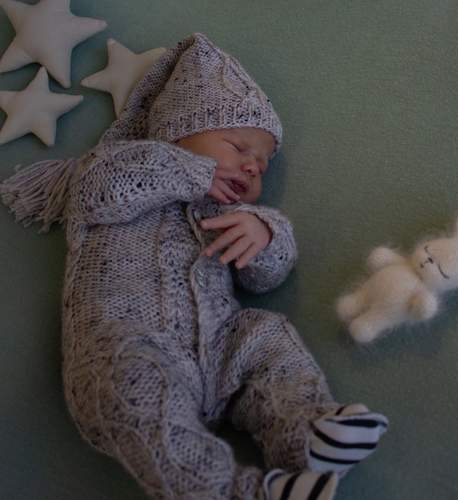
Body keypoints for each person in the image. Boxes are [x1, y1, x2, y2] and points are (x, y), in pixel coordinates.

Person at [1, 33, 388, 500]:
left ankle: (305, 430)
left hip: (219, 352)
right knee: (135, 385)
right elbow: (97, 189)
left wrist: (264, 234)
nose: (252, 167)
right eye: (238, 146)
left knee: (265, 334)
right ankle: (237, 491)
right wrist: (192, 171)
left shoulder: (225, 214)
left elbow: (264, 279)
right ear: (176, 132)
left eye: (263, 164)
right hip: (127, 346)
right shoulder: (120, 168)